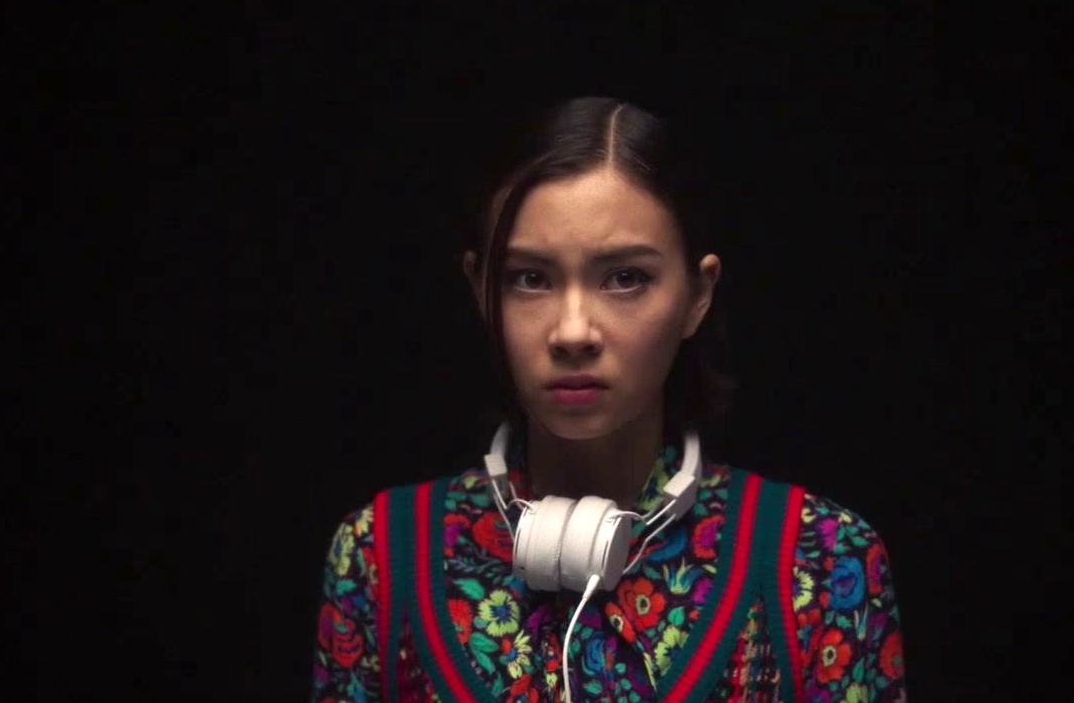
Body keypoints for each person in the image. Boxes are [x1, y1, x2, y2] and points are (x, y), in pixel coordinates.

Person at [311, 96, 906, 703]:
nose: (573, 332)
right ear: (481, 291)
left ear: (697, 296)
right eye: (529, 278)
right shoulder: (380, 554)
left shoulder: (821, 560)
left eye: (625, 278)